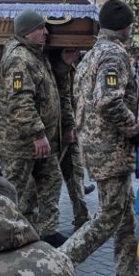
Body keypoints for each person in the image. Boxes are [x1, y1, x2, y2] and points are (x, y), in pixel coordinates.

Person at [61, 0, 139, 276]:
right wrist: (134, 130)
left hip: (99, 144)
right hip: (109, 147)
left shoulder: (93, 53)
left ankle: (127, 274)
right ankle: (56, 262)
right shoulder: (113, 54)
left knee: (124, 211)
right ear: (125, 27)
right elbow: (108, 101)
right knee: (108, 215)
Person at [0, 9, 69, 247]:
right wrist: (37, 134)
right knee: (13, 190)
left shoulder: (35, 55)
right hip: (21, 142)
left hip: (41, 140)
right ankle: (3, 236)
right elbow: (20, 101)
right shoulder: (19, 59)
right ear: (27, 33)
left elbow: (47, 90)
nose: (46, 32)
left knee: (51, 180)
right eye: (40, 28)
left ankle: (47, 231)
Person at [50, 48, 92, 229]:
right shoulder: (57, 67)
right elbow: (64, 97)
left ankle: (82, 216)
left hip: (69, 126)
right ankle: (48, 224)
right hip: (57, 128)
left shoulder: (70, 65)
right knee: (51, 178)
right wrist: (69, 125)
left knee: (75, 171)